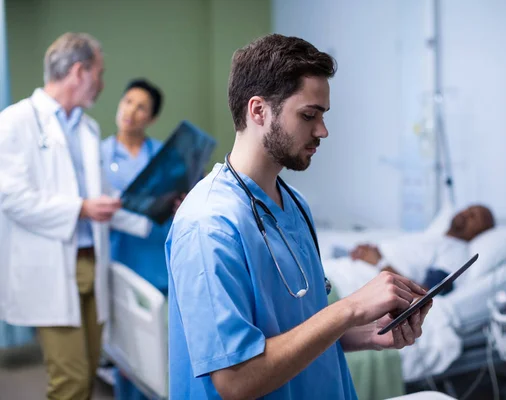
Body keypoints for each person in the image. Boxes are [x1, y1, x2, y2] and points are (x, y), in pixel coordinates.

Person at [166, 33, 433, 400]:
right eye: (309, 115)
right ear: (258, 110)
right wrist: (349, 308)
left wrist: (368, 334)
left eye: (322, 115)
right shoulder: (210, 225)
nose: (322, 131)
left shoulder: (294, 205)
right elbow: (235, 380)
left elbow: (296, 331)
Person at [0, 32, 151, 400]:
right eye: (100, 73)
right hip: (51, 267)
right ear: (80, 71)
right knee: (69, 382)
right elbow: (11, 196)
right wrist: (80, 208)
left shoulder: (88, 128)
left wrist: (156, 212)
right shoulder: (15, 121)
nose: (102, 83)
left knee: (86, 377)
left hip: (91, 264)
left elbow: (103, 199)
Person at [100, 78, 178, 400]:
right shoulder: (100, 154)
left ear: (152, 118)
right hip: (123, 262)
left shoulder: (163, 154)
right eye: (127, 101)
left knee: (164, 351)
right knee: (131, 356)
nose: (131, 111)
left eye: (141, 106)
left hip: (161, 260)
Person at [349, 205, 495, 293]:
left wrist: (379, 262)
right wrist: (367, 252)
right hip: (350, 270)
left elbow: (426, 292)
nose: (466, 213)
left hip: (358, 284)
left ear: (480, 232)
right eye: (469, 209)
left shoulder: (456, 253)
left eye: (474, 217)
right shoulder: (435, 237)